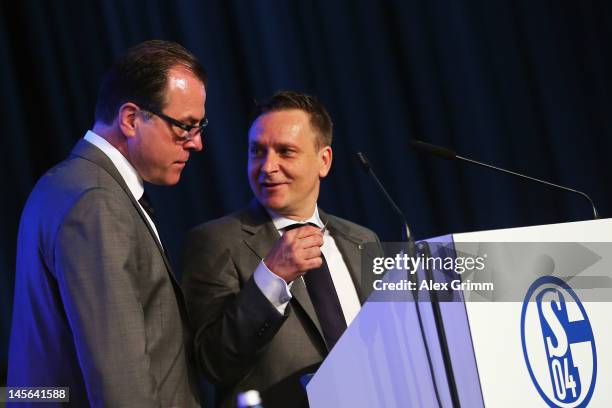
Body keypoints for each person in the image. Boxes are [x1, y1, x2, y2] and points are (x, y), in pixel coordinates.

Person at [8, 40, 207, 407]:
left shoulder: (71, 184)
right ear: (131, 119)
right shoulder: (95, 202)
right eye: (186, 126)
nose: (196, 143)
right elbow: (120, 383)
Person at [182, 91, 381, 407]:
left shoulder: (363, 240)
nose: (268, 166)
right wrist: (272, 277)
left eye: (285, 151)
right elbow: (213, 364)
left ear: (323, 160)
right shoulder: (215, 242)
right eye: (257, 152)